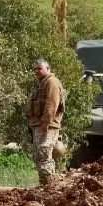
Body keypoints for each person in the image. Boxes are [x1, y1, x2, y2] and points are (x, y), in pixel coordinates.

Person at [26, 58, 66, 186]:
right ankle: (46, 184)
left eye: (40, 68)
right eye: (35, 69)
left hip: (47, 126)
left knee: (44, 153)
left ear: (48, 69)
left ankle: (49, 186)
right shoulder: (43, 83)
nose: (37, 71)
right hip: (39, 125)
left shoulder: (52, 82)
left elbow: (52, 103)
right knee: (41, 155)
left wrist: (46, 122)